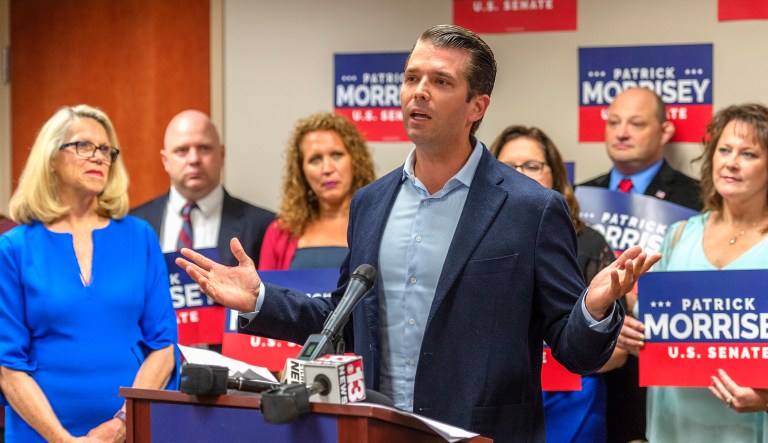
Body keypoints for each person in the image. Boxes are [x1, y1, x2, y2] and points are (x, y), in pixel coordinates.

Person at [176, 25, 658, 442]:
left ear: (476, 106)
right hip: (380, 429)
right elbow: (343, 317)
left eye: (440, 81)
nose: (418, 92)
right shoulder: (371, 203)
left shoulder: (530, 208)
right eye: (411, 78)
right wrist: (260, 299)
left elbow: (574, 350)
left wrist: (594, 308)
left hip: (483, 435)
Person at [0, 105, 178, 442]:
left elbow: (164, 346)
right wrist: (63, 440)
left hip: (130, 431)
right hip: (38, 434)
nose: (98, 156)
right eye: (83, 145)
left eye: (106, 149)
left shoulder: (139, 237)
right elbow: (7, 366)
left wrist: (121, 425)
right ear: (51, 158)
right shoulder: (13, 248)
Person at [619, 103, 768, 442]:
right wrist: (628, 331)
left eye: (748, 154)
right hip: (673, 424)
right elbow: (652, 330)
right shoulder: (679, 235)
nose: (731, 162)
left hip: (750, 429)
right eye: (724, 150)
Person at [579, 86, 704, 442]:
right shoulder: (576, 197)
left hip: (664, 369)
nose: (621, 133)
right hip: (589, 376)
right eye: (614, 122)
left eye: (636, 123)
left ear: (665, 131)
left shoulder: (698, 198)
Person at [490, 125, 622, 442]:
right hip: (497, 403)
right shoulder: (473, 244)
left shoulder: (589, 243)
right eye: (508, 167)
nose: (520, 175)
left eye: (532, 166)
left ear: (556, 177)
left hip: (575, 403)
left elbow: (618, 351)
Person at [130, 110, 274, 350]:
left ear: (222, 154)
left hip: (232, 364)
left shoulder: (264, 225)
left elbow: (271, 308)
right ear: (165, 160)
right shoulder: (133, 225)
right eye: (182, 150)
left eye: (204, 148)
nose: (194, 159)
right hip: (152, 360)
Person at [259, 112, 375, 271]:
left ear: (355, 161)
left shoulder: (378, 225)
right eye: (315, 159)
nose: (327, 169)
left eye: (336, 155)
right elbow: (265, 286)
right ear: (301, 171)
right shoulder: (280, 232)